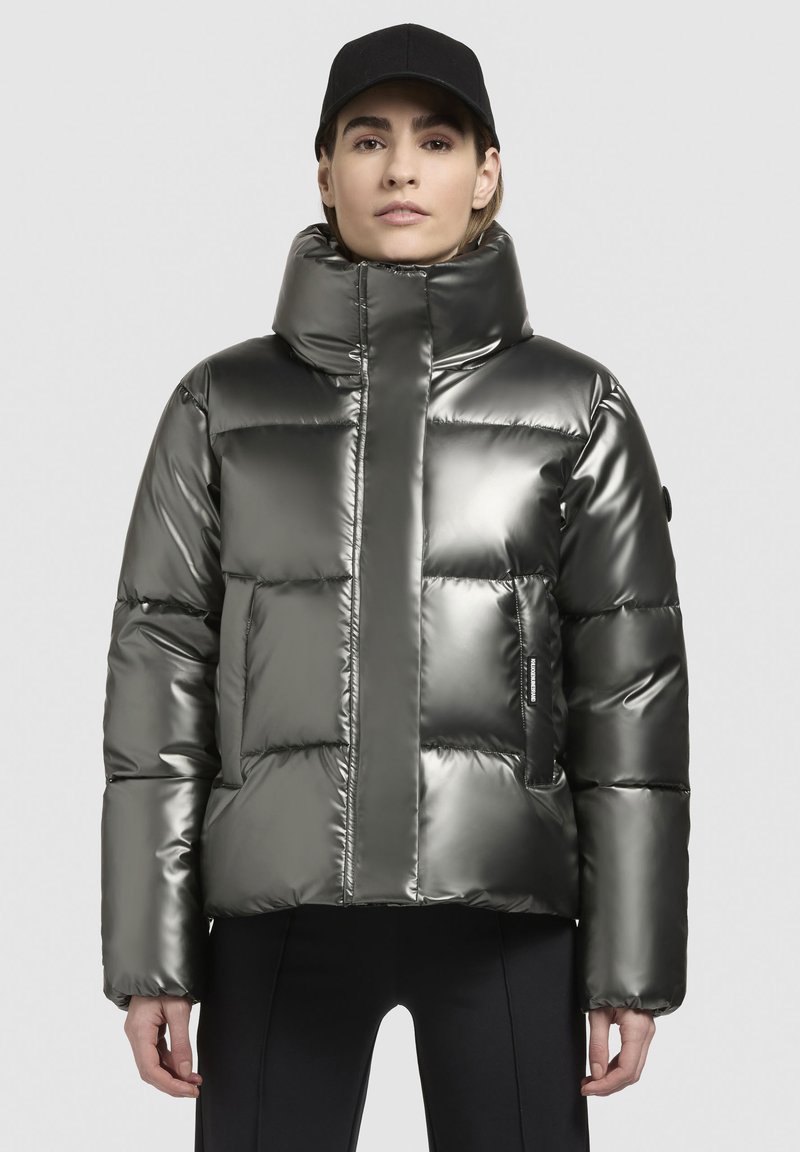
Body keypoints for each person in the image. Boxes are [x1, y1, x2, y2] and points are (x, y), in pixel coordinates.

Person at [100, 22, 691, 1152]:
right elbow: (157, 684)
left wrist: (629, 964)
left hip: (505, 918)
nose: (401, 169)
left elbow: (630, 699)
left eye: (437, 139)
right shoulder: (219, 407)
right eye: (368, 140)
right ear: (325, 172)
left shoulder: (579, 411)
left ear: (488, 172)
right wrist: (152, 959)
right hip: (278, 917)